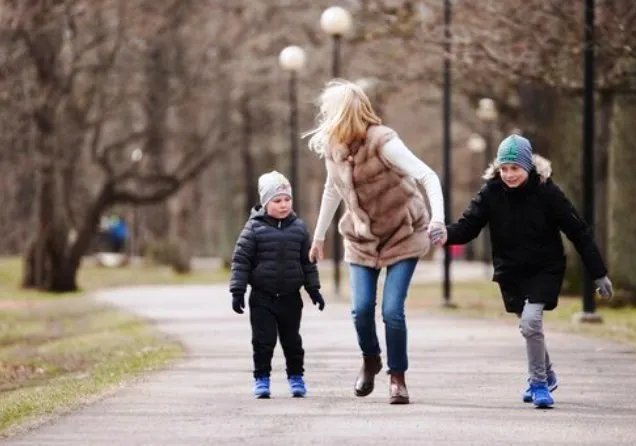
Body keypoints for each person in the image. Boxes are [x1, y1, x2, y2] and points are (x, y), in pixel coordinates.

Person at [439, 134, 614, 408]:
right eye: (504, 168)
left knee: (532, 322)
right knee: (528, 326)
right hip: (511, 271)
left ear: (528, 167)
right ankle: (548, 373)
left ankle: (539, 384)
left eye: (515, 169)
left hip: (545, 267)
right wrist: (444, 235)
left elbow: (578, 231)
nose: (509, 175)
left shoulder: (547, 192)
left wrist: (598, 273)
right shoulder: (491, 192)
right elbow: (468, 226)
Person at [305, 79, 446, 405]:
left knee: (392, 311)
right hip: (361, 238)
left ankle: (397, 378)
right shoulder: (333, 147)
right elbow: (331, 190)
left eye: (329, 110)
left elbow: (428, 176)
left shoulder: (383, 142)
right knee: (360, 310)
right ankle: (371, 358)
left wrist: (437, 218)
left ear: (344, 113)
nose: (324, 116)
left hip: (402, 234)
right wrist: (318, 236)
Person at [229, 170, 325, 399]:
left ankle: (296, 377)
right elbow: (241, 261)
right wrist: (237, 291)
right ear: (265, 203)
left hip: (291, 297)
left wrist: (314, 290)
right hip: (263, 297)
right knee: (263, 341)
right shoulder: (253, 229)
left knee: (293, 341)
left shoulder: (299, 228)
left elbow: (307, 262)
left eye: (287, 200)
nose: (283, 205)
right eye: (277, 200)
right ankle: (261, 379)